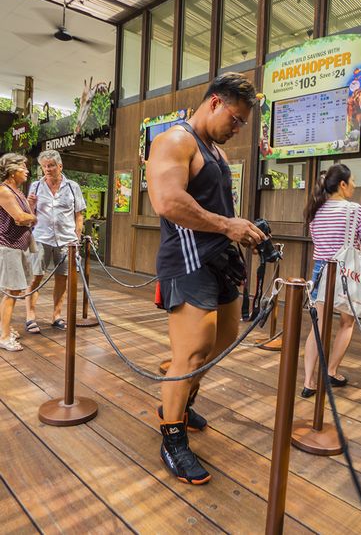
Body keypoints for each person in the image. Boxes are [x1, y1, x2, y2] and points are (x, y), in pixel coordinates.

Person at [147, 73, 265, 485]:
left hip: (219, 260)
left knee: (223, 339)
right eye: (236, 119)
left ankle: (182, 399)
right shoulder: (175, 141)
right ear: (215, 102)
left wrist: (242, 231)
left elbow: (219, 211)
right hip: (186, 261)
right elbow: (167, 201)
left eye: (243, 124)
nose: (238, 129)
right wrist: (226, 226)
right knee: (191, 353)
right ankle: (172, 436)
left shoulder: (215, 150)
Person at [301, 164, 361, 397]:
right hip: (346, 272)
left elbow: (317, 243)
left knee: (318, 327)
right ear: (342, 185)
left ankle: (308, 382)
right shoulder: (354, 210)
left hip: (321, 271)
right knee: (346, 323)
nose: (354, 185)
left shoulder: (316, 210)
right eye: (352, 181)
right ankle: (331, 371)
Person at [25, 150, 86, 333]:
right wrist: (30, 205)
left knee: (63, 278)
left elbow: (79, 214)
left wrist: (77, 237)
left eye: (51, 165)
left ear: (60, 166)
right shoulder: (35, 186)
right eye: (44, 166)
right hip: (41, 238)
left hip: (66, 240)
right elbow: (29, 216)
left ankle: (56, 316)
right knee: (35, 277)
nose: (47, 169)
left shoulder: (72, 186)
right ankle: (30, 316)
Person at [0, 153, 37, 351]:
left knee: (13, 291)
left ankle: (3, 329)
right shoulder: (4, 191)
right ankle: (4, 337)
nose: (27, 171)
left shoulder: (19, 191)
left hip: (20, 246)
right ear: (13, 171)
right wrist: (32, 217)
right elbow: (19, 218)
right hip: (9, 248)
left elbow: (25, 215)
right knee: (10, 291)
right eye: (23, 168)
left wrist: (30, 211)